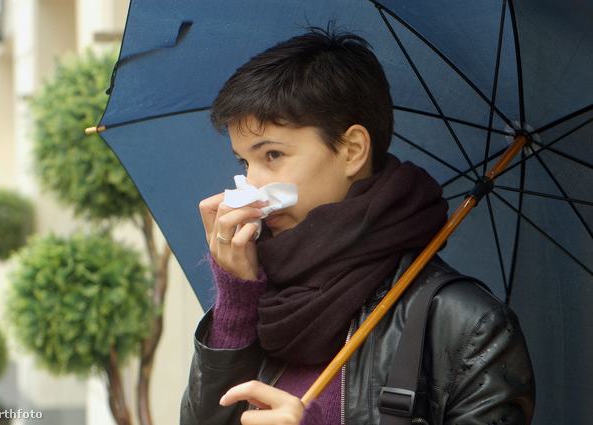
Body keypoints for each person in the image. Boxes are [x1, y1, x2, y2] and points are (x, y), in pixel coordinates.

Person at [180, 22, 535, 425]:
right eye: (244, 161)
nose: (253, 184)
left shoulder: (469, 327)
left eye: (272, 155)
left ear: (352, 150)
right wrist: (236, 298)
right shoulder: (264, 300)